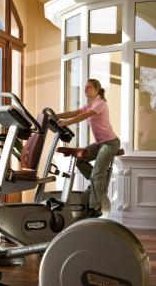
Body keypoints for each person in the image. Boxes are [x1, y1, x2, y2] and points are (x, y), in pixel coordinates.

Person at [57, 78, 120, 218]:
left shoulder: (100, 104)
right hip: (100, 143)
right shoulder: (90, 104)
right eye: (85, 87)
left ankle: (96, 208)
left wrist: (66, 123)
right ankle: (97, 184)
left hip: (111, 143)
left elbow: (83, 116)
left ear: (96, 90)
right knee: (80, 160)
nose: (85, 90)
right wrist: (55, 115)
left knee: (97, 173)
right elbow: (74, 112)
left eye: (88, 88)